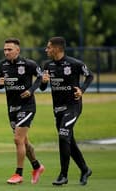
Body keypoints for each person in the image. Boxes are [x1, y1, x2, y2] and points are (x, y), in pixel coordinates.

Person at [40, 36, 93, 186]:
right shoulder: (47, 65)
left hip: (73, 106)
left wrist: (81, 90)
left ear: (57, 48)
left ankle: (63, 175)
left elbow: (90, 76)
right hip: (58, 109)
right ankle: (84, 169)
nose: (46, 50)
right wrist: (43, 82)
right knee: (68, 140)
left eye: (48, 47)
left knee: (63, 135)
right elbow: (43, 88)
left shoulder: (75, 64)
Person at [0, 38, 45, 184]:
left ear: (18, 50)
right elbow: (0, 82)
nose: (6, 52)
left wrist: (31, 90)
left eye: (9, 49)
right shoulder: (1, 65)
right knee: (24, 141)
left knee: (17, 139)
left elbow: (40, 78)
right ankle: (37, 166)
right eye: (5, 49)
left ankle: (18, 174)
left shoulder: (29, 64)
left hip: (27, 106)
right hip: (12, 108)